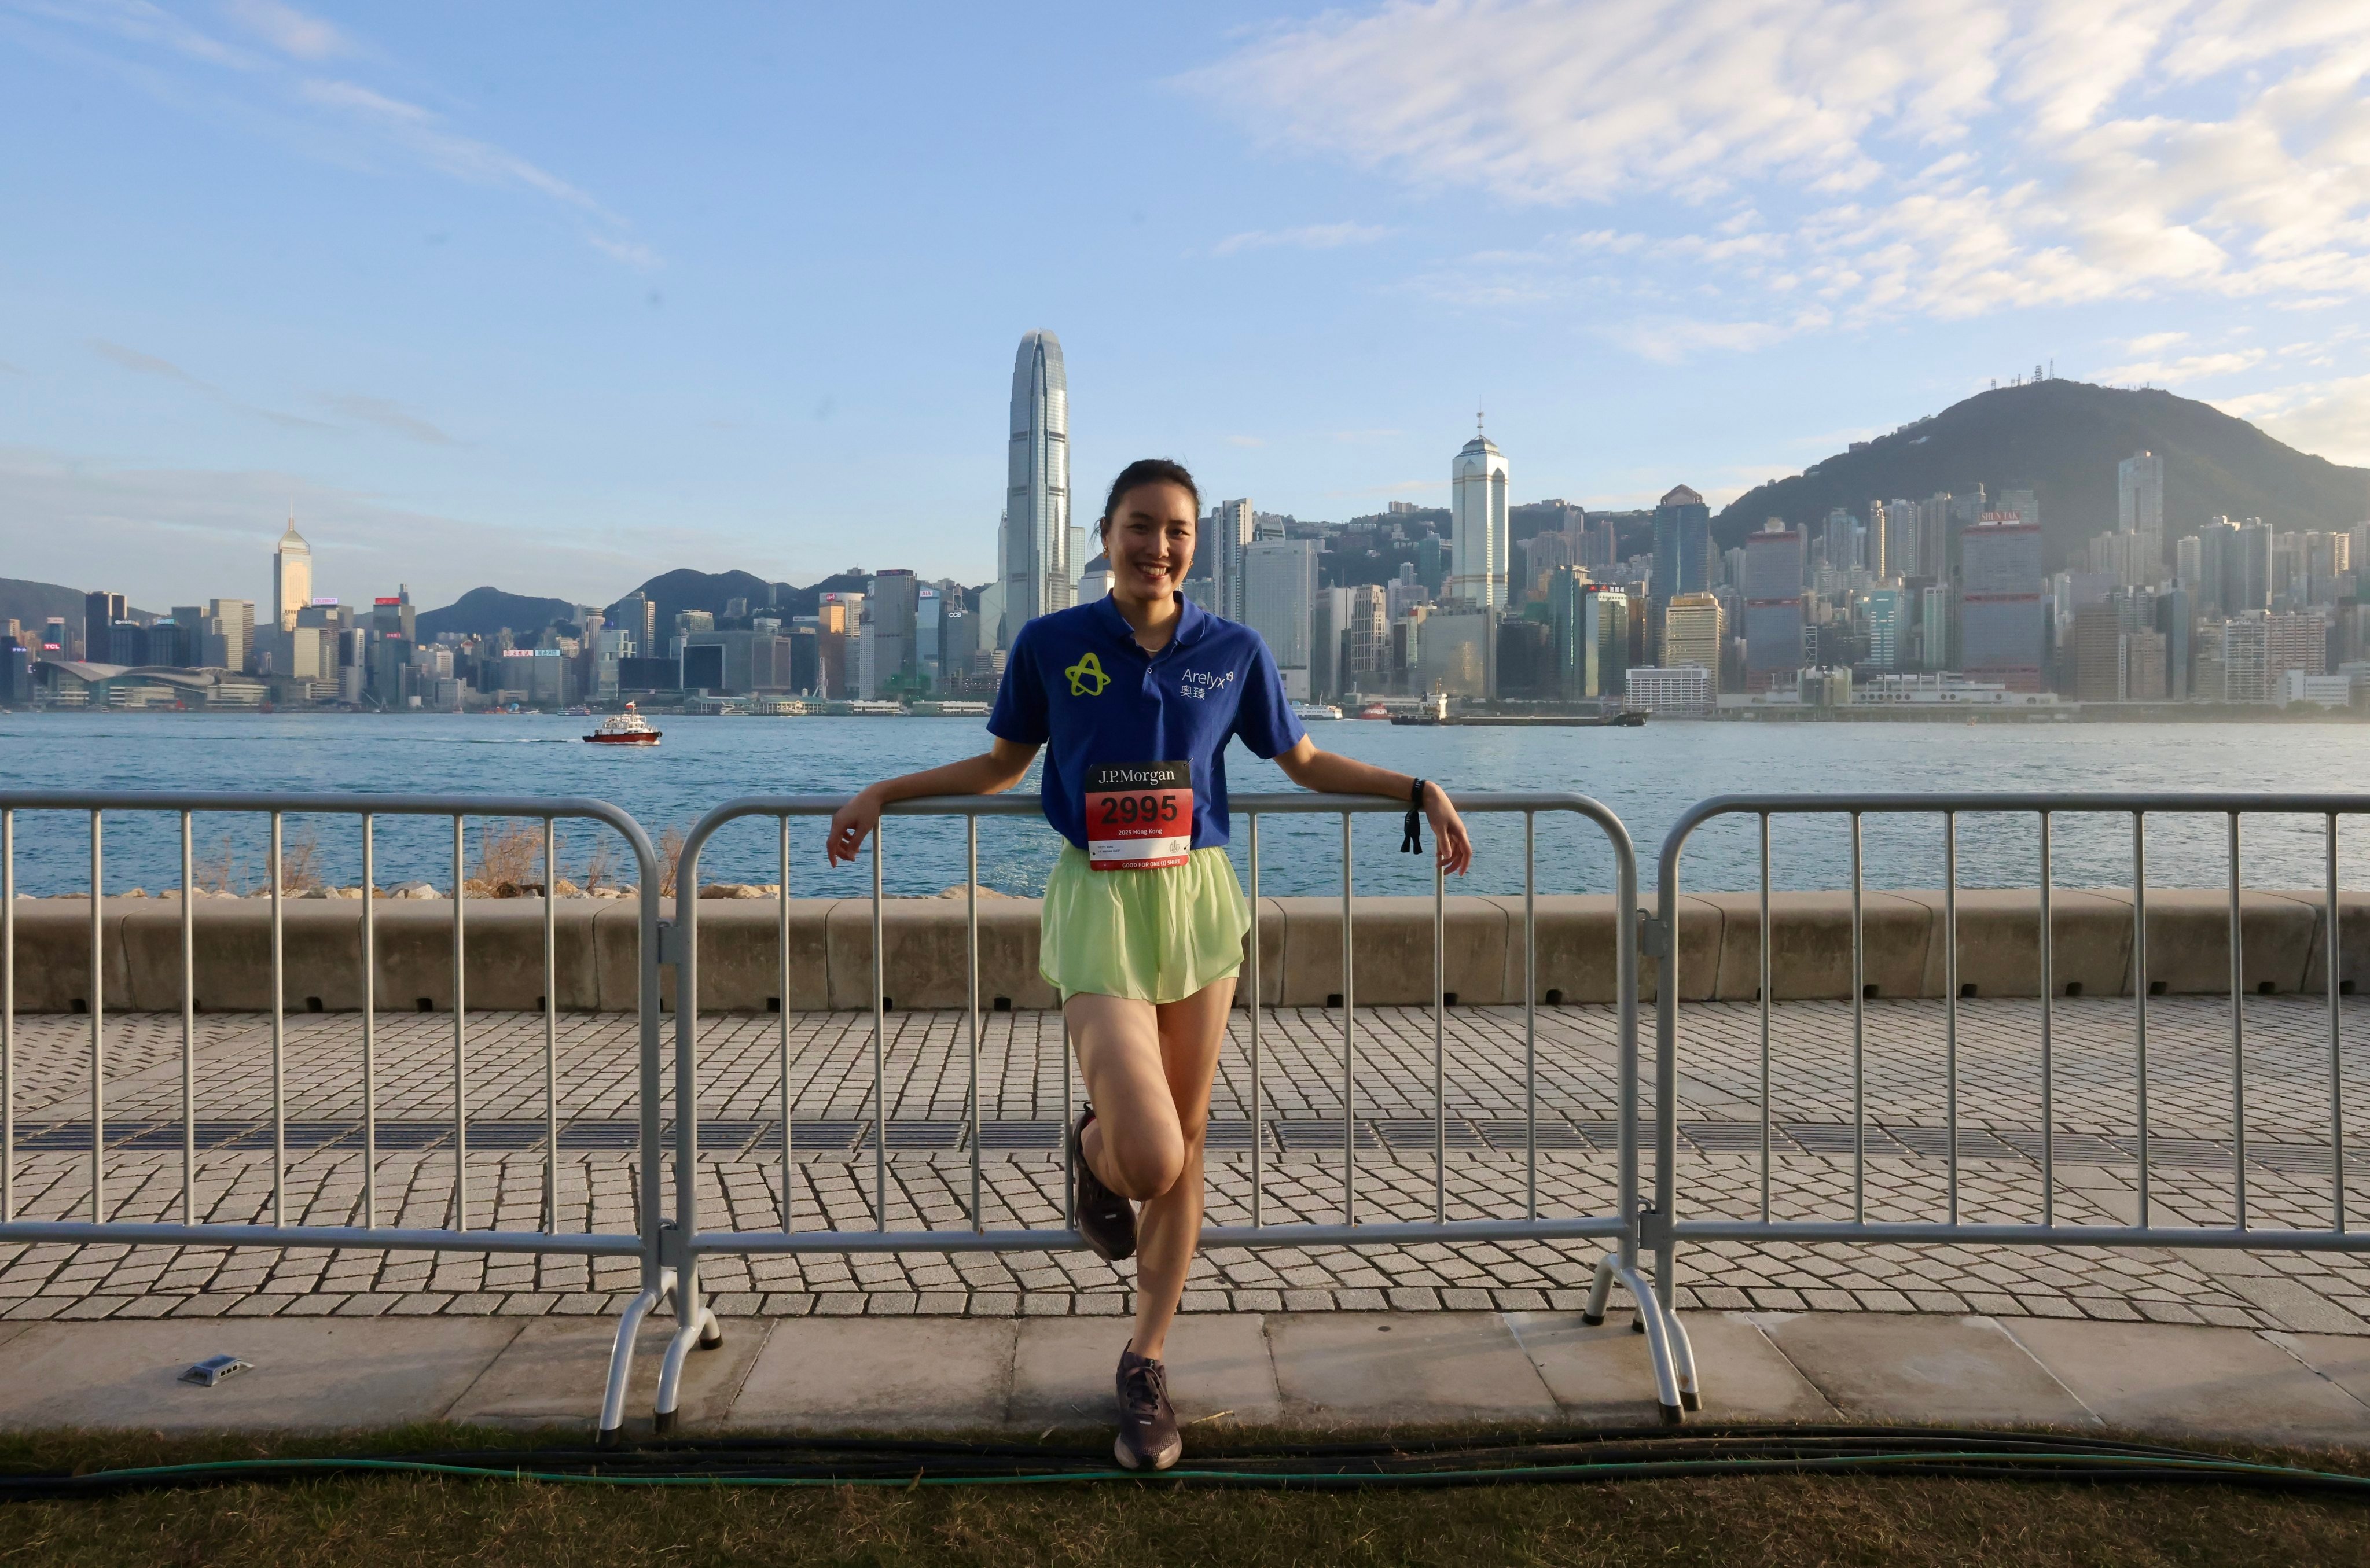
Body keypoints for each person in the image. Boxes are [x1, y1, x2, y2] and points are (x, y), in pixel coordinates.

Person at [828, 458, 1472, 1470]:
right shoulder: (1050, 643)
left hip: (1199, 902)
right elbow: (1001, 763)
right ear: (1104, 532)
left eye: (1175, 530)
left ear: (1194, 544)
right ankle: (1091, 1151)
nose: (1156, 545)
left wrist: (1417, 786)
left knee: (1190, 1138)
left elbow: (1301, 761)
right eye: (1139, 525)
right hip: (1098, 903)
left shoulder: (1236, 650)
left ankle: (1146, 1362)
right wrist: (883, 790)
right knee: (1151, 1150)